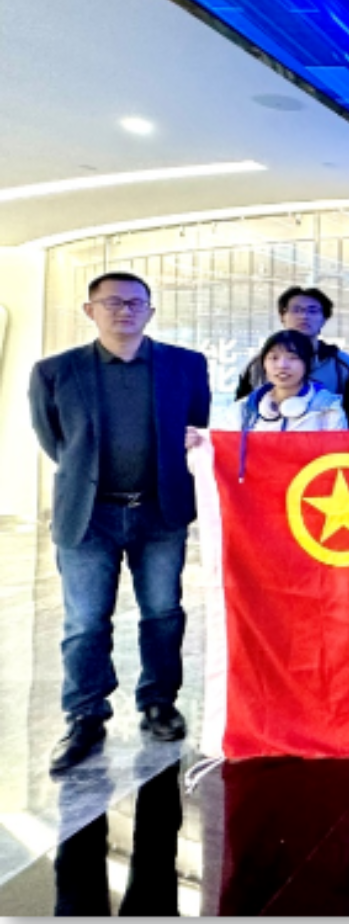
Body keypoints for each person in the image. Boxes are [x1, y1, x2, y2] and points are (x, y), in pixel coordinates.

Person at [29, 272, 212, 773]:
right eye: (111, 302)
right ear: (90, 311)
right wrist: (91, 478)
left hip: (160, 511)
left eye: (135, 303)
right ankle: (85, 716)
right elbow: (54, 441)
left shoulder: (186, 365)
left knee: (163, 612)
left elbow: (195, 428)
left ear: (150, 310)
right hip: (89, 515)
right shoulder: (54, 371)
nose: (124, 310)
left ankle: (158, 703)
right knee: (85, 621)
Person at [234, 286, 349, 428]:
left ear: (324, 319)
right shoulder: (255, 365)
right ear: (282, 316)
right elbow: (242, 415)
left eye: (312, 311)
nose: (304, 316)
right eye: (296, 310)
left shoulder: (343, 365)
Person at [202, 330, 347, 434]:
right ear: (263, 363)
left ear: (308, 363)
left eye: (293, 358)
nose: (282, 365)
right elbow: (220, 452)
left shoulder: (328, 408)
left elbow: (336, 458)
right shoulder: (244, 410)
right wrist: (198, 442)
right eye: (274, 358)